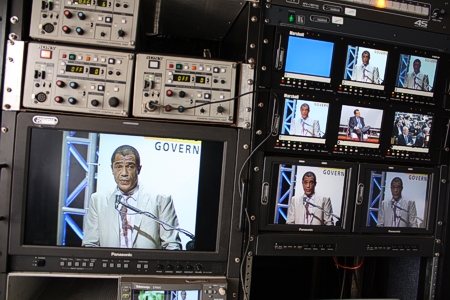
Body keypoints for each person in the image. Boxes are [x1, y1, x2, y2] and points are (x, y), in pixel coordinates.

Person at [82, 145, 182, 249]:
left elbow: (172, 245)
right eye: (118, 167)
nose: (124, 173)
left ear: (139, 169)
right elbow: (90, 244)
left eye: (130, 166)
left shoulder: (161, 199)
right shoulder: (98, 200)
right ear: (112, 169)